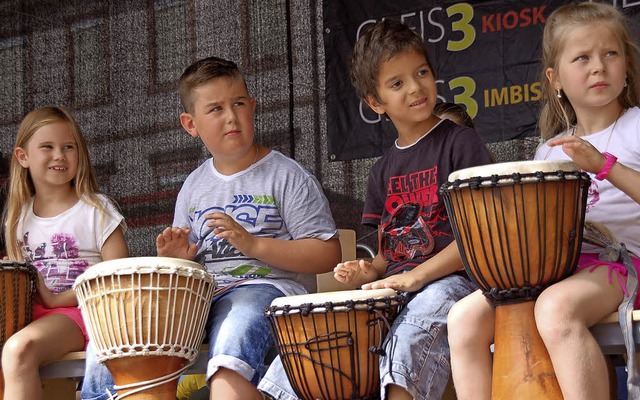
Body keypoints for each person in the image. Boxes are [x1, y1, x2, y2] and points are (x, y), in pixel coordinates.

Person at [80, 56, 341, 400]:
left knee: (234, 333)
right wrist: (177, 261)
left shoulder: (287, 176)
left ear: (252, 107)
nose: (231, 116)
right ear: (191, 124)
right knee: (117, 336)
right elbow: (189, 272)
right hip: (202, 299)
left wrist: (254, 245)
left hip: (265, 291)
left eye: (238, 104)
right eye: (215, 108)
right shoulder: (193, 185)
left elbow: (328, 253)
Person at [259, 19, 492, 400]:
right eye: (397, 83)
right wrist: (371, 269)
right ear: (375, 102)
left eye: (421, 73)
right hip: (396, 288)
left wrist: (416, 277)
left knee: (407, 343)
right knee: (314, 342)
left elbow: (480, 235)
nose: (415, 88)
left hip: (455, 283)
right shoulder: (383, 170)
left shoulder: (460, 143)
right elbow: (391, 251)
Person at [447, 3, 640, 400]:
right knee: (463, 318)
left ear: (626, 66)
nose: (599, 67)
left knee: (555, 309)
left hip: (628, 264)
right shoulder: (548, 153)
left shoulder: (636, 126)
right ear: (555, 78)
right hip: (562, 272)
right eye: (582, 57)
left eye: (610, 53)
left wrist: (603, 165)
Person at [0, 106, 128, 400]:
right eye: (47, 147)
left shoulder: (97, 209)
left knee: (19, 350)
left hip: (82, 312)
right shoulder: (18, 219)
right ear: (23, 157)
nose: (59, 155)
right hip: (34, 317)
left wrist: (57, 298)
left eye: (68, 147)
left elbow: (118, 277)